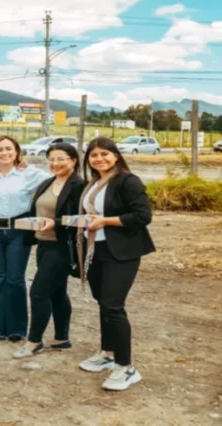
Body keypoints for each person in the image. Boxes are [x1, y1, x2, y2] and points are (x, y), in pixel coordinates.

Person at [77, 137, 155, 391]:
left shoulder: (127, 181)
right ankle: (108, 353)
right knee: (104, 303)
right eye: (93, 155)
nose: (99, 159)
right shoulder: (94, 182)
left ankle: (127, 367)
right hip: (96, 250)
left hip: (121, 252)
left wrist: (105, 221)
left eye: (104, 154)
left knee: (113, 305)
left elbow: (143, 216)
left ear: (116, 155)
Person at [0, 136, 52, 342]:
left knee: (15, 279)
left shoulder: (29, 175)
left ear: (17, 153)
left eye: (9, 149)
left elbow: (55, 178)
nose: (4, 153)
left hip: (19, 230)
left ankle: (17, 329)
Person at [13, 143, 84, 359]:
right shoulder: (48, 182)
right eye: (51, 159)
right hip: (43, 244)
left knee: (38, 292)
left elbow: (81, 219)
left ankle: (34, 341)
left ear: (73, 160)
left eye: (61, 159)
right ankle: (62, 338)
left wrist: (56, 222)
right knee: (57, 292)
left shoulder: (79, 186)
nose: (55, 163)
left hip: (63, 246)